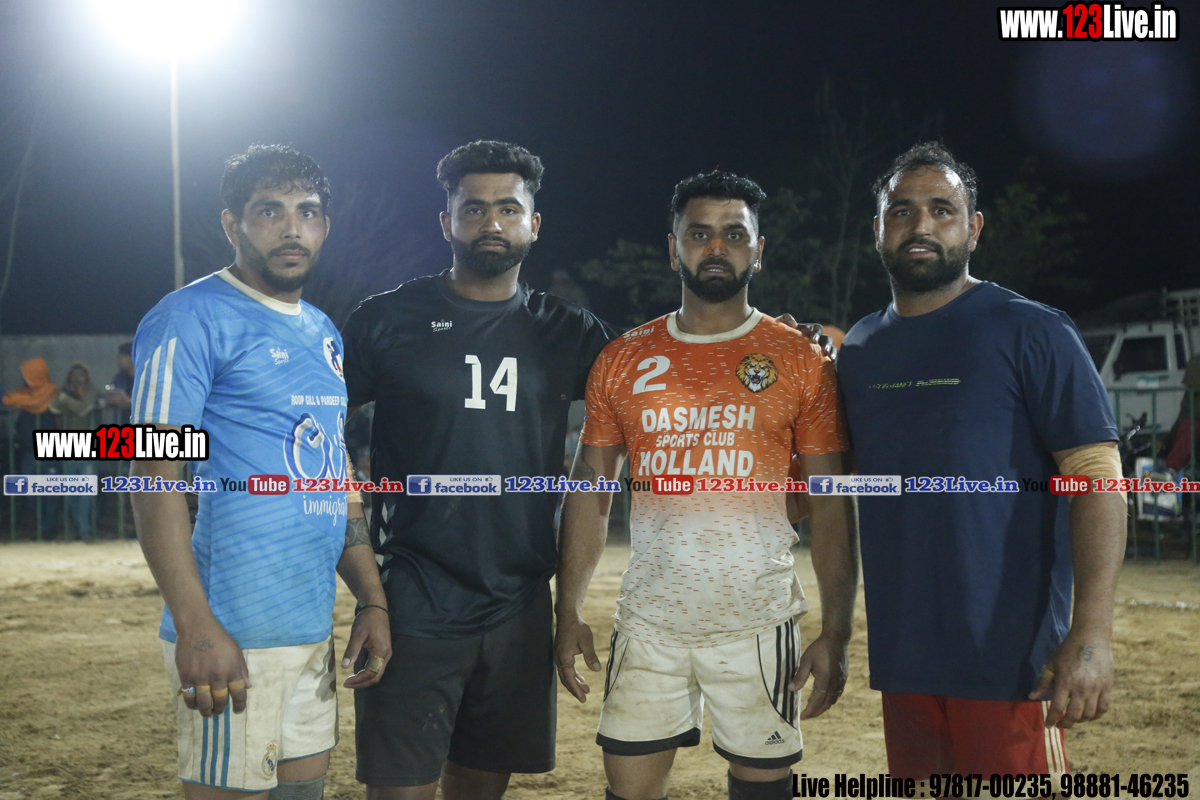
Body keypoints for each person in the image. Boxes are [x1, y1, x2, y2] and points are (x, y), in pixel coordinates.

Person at [555, 171, 859, 800]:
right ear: (674, 249)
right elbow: (591, 490)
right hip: (649, 622)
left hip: (758, 622)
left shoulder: (800, 358)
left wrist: (837, 631)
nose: (716, 247)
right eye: (699, 234)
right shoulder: (623, 357)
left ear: (758, 249)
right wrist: (567, 609)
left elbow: (832, 503)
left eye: (734, 234)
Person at [836, 143, 1126, 778]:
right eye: (901, 210)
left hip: (1010, 662)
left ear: (973, 228)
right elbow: (839, 481)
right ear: (878, 229)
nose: (921, 224)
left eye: (942, 209)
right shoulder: (859, 348)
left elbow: (1098, 478)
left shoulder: (1032, 328)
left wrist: (1092, 634)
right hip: (904, 655)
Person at [340, 140, 616, 800]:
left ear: (533, 224)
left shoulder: (572, 333)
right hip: (413, 600)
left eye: (508, 209)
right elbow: (318, 439)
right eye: (473, 209)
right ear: (447, 222)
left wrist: (767, 340)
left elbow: (664, 391)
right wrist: (369, 587)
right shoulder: (384, 321)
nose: (491, 222)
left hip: (520, 606)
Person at [129, 145, 391, 800]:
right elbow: (151, 471)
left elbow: (334, 473)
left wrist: (371, 597)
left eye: (307, 211)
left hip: (308, 627)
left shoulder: (323, 331)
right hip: (230, 631)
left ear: (324, 226)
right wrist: (196, 625)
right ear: (232, 224)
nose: (291, 227)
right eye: (269, 211)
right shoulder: (188, 316)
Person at [49, 363, 99, 539]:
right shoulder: (63, 391)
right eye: (74, 375)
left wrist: (65, 399)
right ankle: (79, 527)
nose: (78, 379)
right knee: (70, 491)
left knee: (86, 491)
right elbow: (53, 408)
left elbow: (83, 408)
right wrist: (66, 397)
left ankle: (84, 529)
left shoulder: (93, 391)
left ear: (87, 377)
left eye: (81, 375)